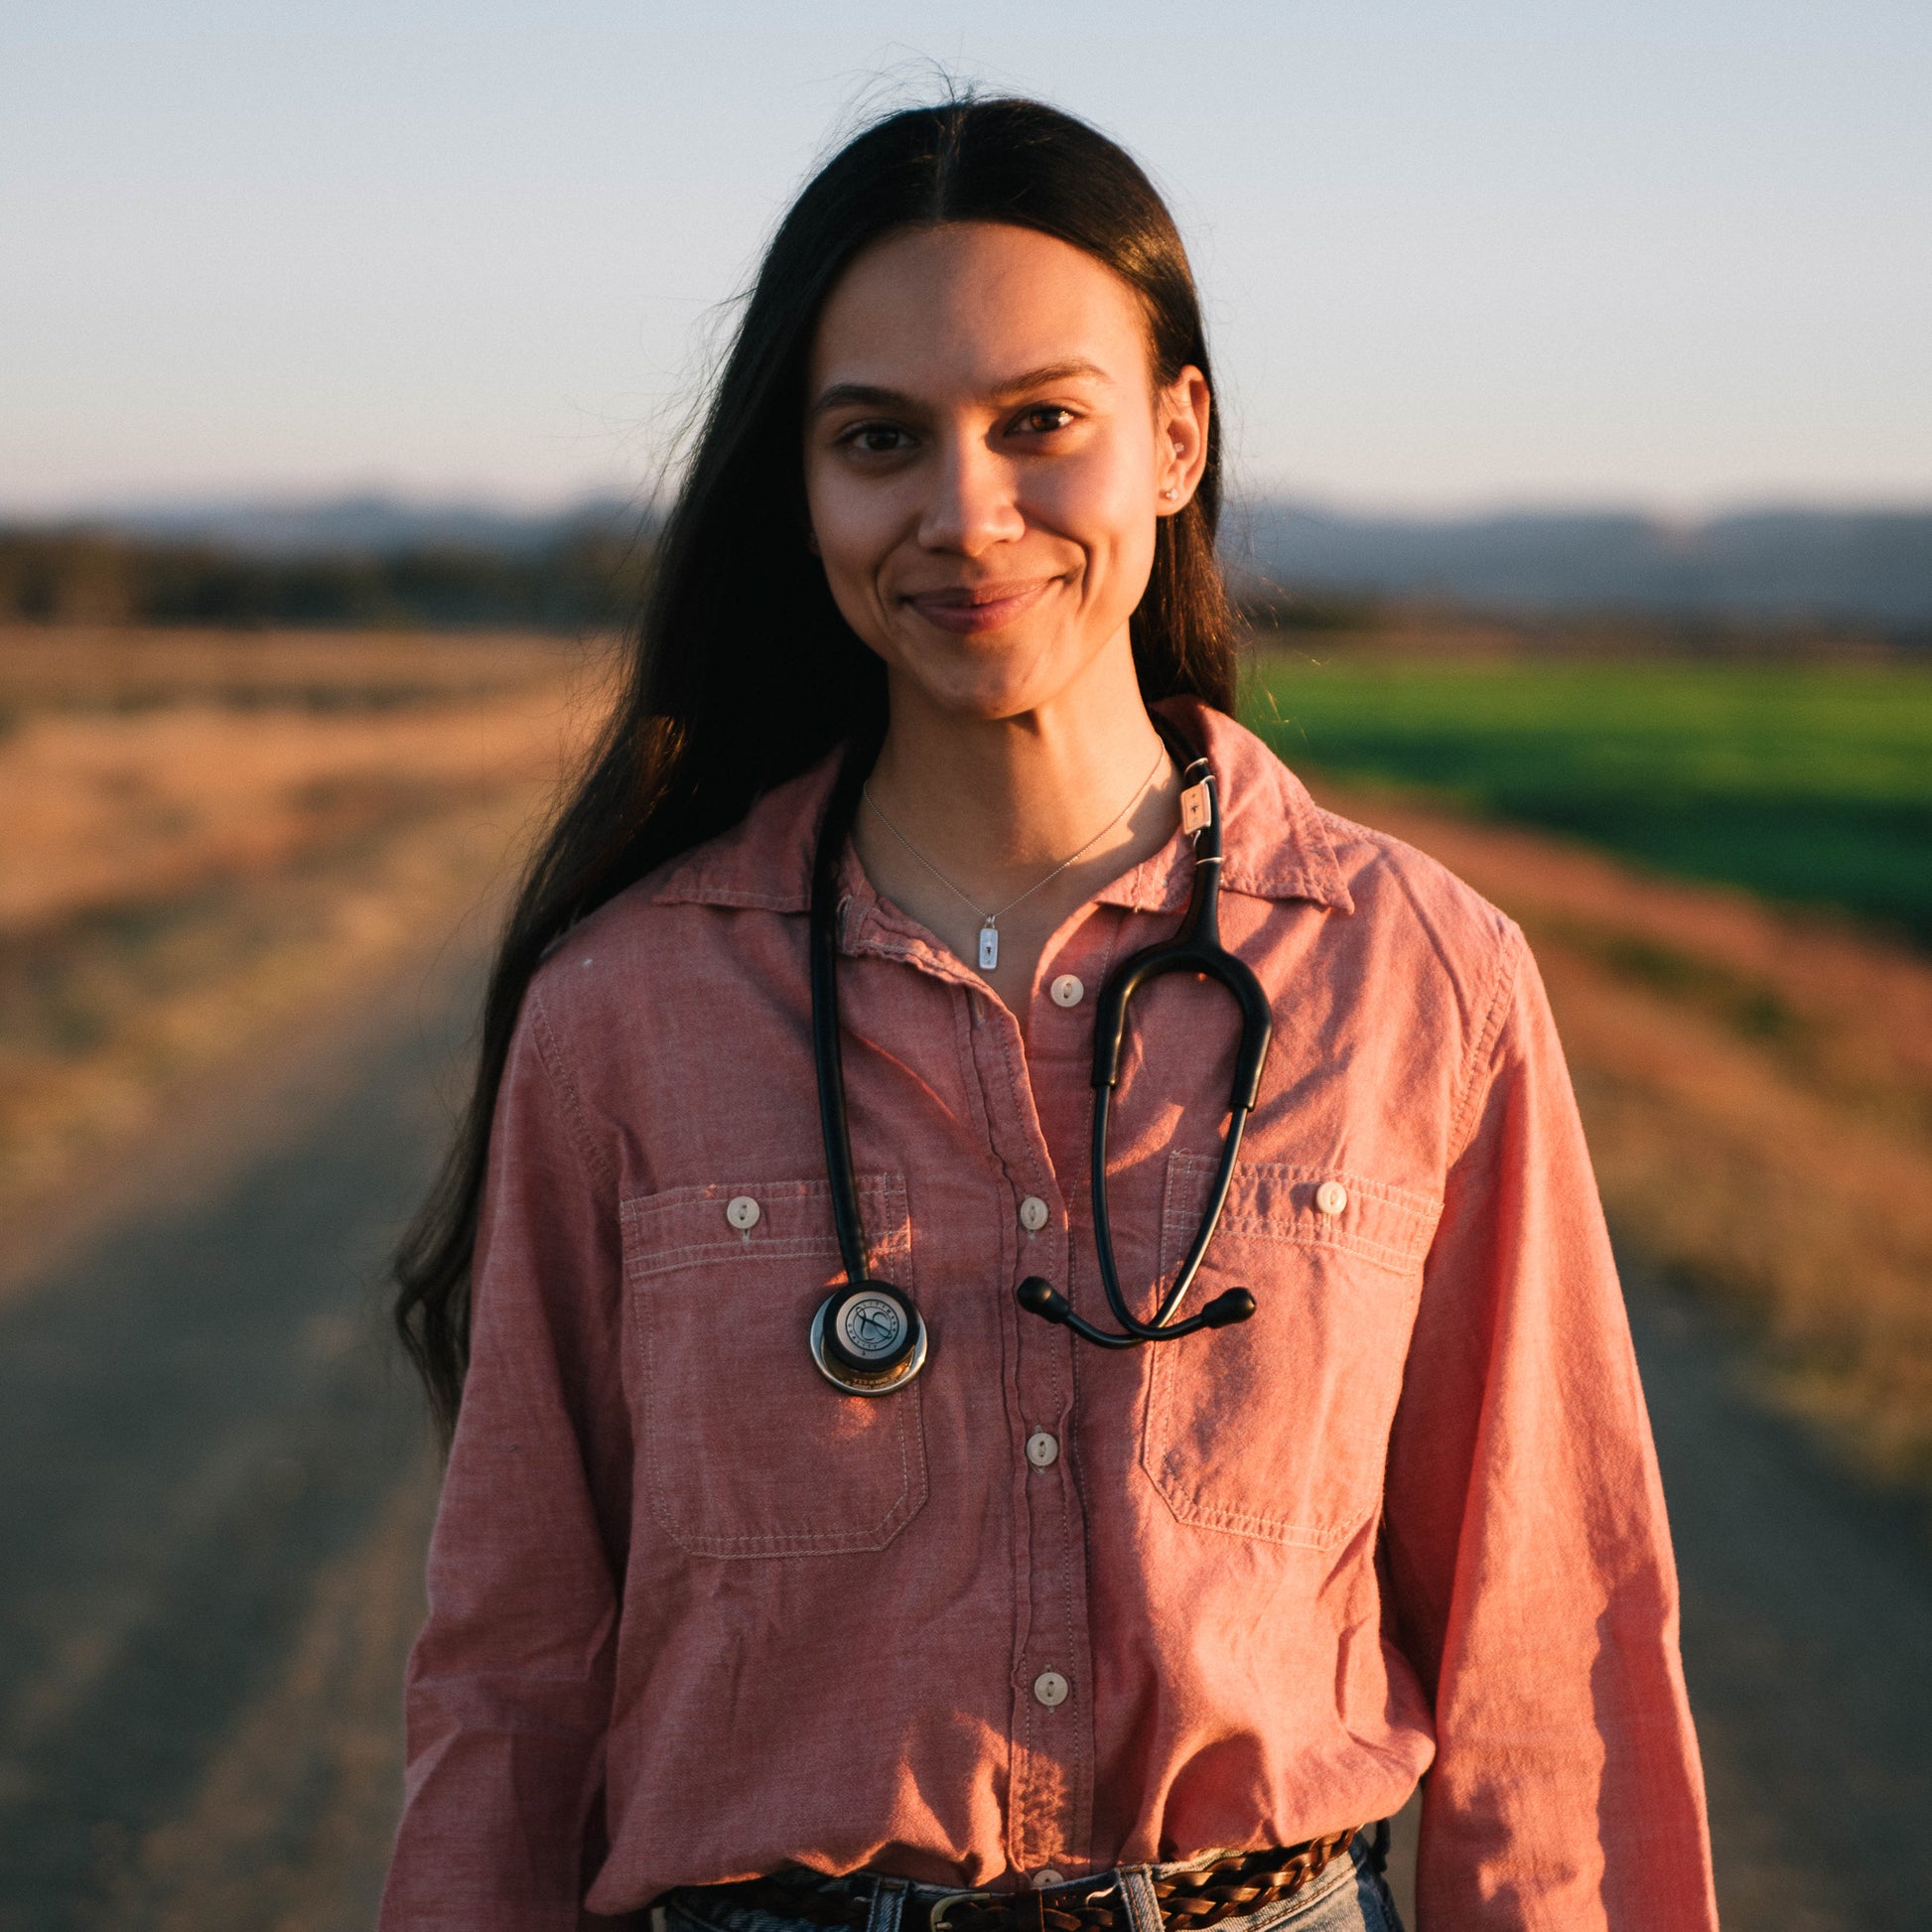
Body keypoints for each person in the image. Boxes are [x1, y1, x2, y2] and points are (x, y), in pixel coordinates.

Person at [379, 95, 1719, 1932]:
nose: (963, 512)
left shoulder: (1421, 979)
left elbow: (1545, 1644)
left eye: (1040, 423)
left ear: (1172, 438)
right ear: (804, 484)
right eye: (877, 440)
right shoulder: (625, 1011)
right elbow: (513, 1663)